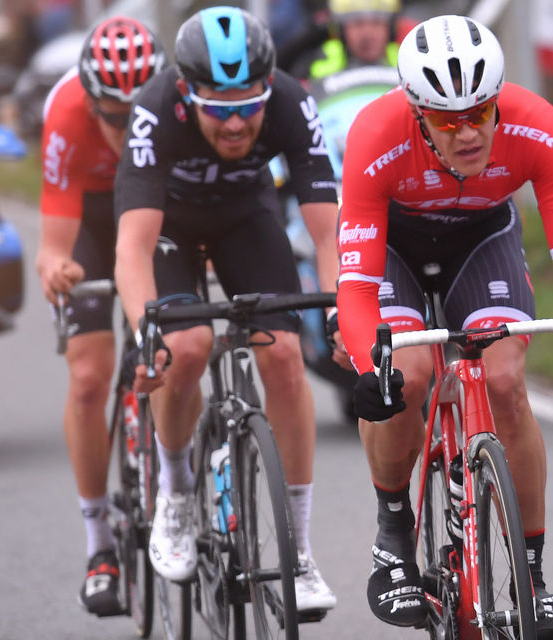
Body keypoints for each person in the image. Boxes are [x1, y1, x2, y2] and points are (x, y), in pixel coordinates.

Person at [334, 14, 553, 639]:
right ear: (416, 114)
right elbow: (354, 286)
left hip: (482, 239)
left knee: (507, 380)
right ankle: (392, 534)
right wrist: (365, 367)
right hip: (395, 249)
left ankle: (533, 580)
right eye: (444, 120)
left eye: (480, 114)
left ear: (498, 103)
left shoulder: (538, 126)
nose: (467, 133)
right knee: (402, 375)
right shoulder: (375, 135)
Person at [113, 5, 339, 615]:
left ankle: (297, 551)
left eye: (250, 104)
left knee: (287, 355)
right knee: (183, 348)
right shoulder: (155, 109)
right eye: (220, 108)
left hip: (246, 216)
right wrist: (144, 335)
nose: (238, 122)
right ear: (189, 94)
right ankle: (177, 493)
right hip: (170, 228)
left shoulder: (292, 100)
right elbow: (130, 249)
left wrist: (345, 315)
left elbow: (328, 234)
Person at [34, 16, 163, 616]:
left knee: (175, 346)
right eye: (113, 115)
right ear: (90, 99)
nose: (127, 126)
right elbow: (54, 237)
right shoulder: (65, 113)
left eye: (137, 112)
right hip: (89, 215)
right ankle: (99, 545)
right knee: (89, 376)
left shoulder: (169, 110)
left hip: (153, 207)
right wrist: (56, 266)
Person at [305, 0, 400, 80]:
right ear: (340, 30)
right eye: (358, 24)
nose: (367, 34)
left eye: (376, 23)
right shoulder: (317, 61)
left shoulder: (406, 59)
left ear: (391, 29)